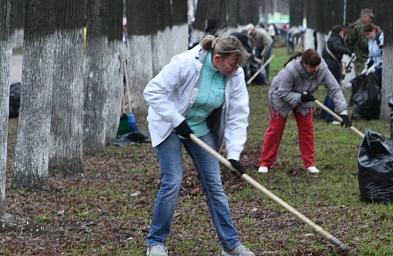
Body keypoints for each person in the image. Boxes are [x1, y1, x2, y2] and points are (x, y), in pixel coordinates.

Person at [143, 35, 255, 256]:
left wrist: (234, 154)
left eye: (237, 64)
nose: (235, 69)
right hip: (169, 124)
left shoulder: (235, 75)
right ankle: (155, 243)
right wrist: (177, 120)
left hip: (198, 128)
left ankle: (231, 246)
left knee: (215, 185)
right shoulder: (186, 63)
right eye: (232, 64)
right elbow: (152, 91)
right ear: (217, 58)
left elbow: (238, 115)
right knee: (173, 179)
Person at [257, 49, 352, 174]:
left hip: (306, 95)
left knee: (307, 129)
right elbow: (283, 92)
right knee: (275, 129)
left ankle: (309, 164)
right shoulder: (291, 70)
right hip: (280, 96)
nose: (316, 69)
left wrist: (343, 112)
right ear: (304, 64)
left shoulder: (322, 68)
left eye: (317, 66)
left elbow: (334, 89)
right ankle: (265, 163)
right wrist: (299, 97)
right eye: (312, 67)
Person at [320, 25, 352, 123]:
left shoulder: (332, 38)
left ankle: (324, 114)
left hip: (329, 65)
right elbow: (337, 47)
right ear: (340, 32)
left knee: (331, 91)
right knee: (334, 90)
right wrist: (348, 51)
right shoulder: (336, 39)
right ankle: (329, 117)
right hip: (332, 66)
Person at [347, 8, 375, 73]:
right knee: (361, 78)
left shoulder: (358, 24)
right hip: (361, 58)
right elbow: (364, 44)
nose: (371, 20)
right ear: (364, 16)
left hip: (359, 57)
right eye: (370, 17)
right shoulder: (360, 27)